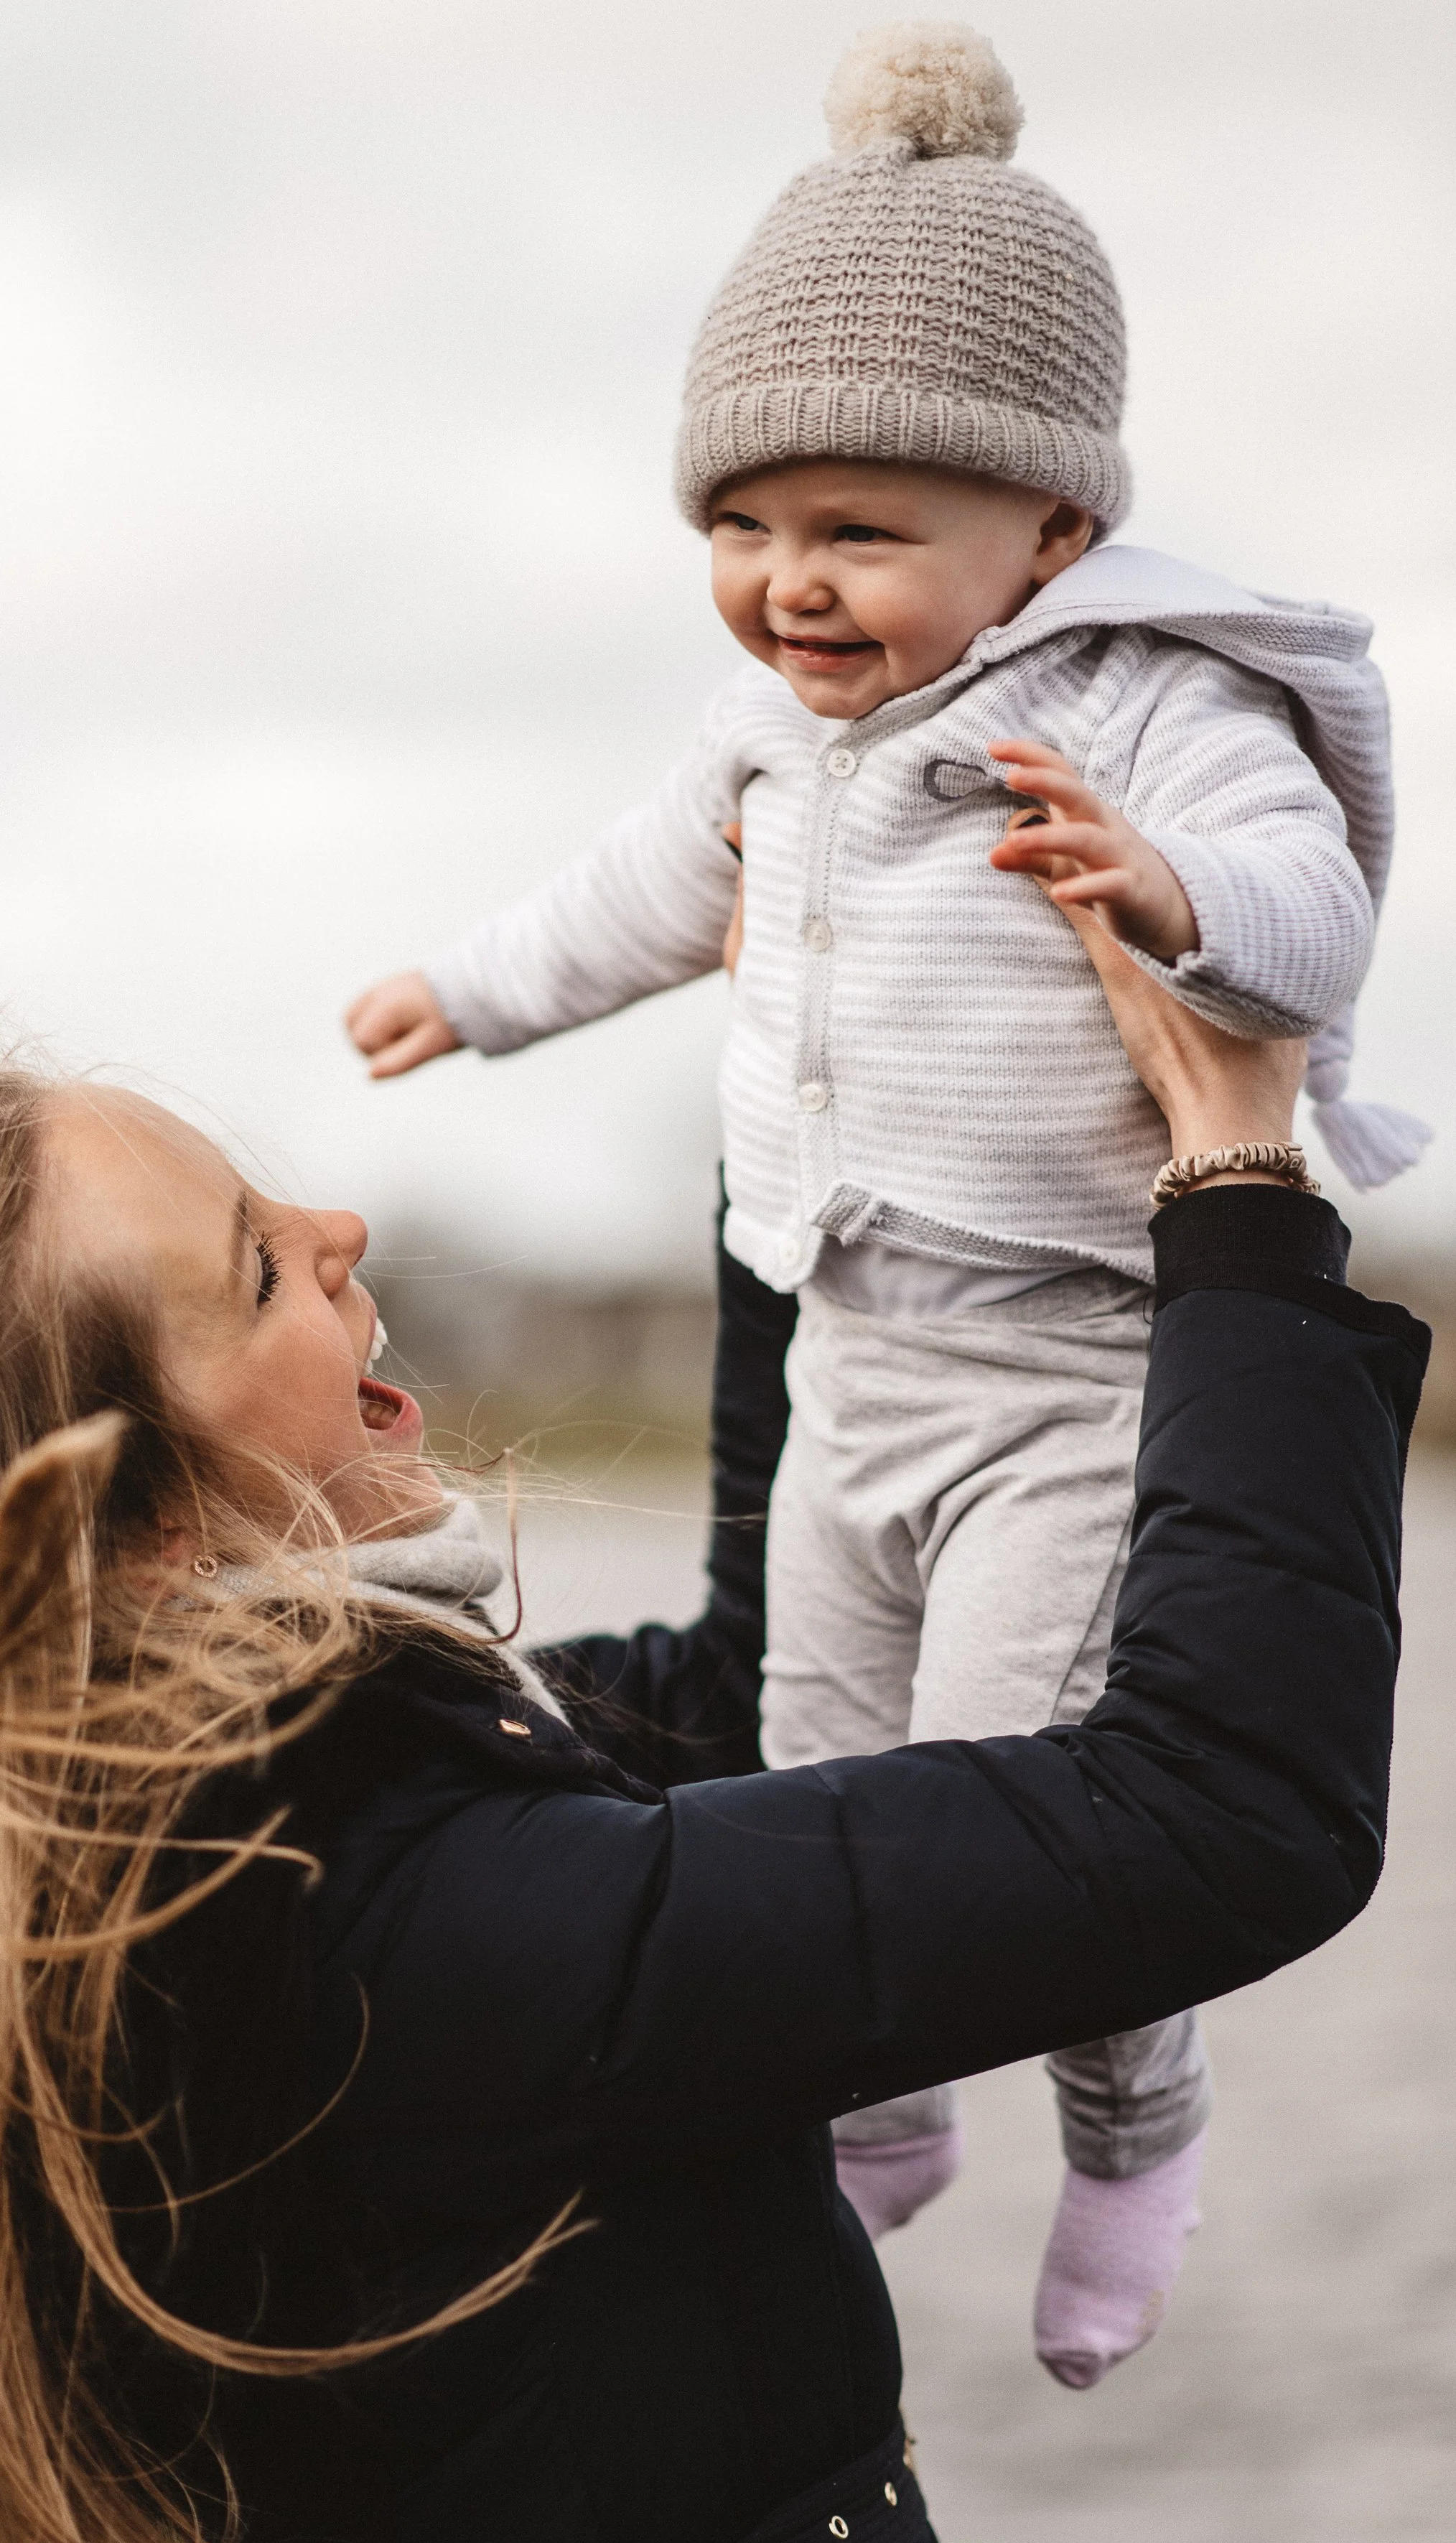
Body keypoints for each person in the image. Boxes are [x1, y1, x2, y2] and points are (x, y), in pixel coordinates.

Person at [0, 920, 1429, 2543]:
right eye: (258, 1273)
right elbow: (1213, 1812)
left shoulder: (20, 1852)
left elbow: (767, 1677)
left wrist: (798, 1157)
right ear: (141, 1533)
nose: (336, 1229)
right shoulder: (399, 1936)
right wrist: (1241, 1188)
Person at [341, 21, 1430, 2386]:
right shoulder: (773, 733)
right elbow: (642, 892)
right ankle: (884, 2103)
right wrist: (474, 991)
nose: (786, 588)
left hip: (1064, 1371)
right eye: (743, 528)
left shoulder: (1137, 701)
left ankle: (1136, 2127)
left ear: (1045, 525)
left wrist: (1168, 891)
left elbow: (1316, 912)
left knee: (1032, 1804)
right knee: (817, 1775)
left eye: (857, 532)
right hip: (851, 1353)